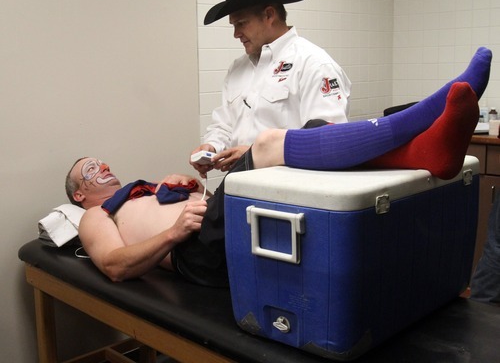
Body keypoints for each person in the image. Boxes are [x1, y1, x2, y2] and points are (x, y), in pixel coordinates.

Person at [69, 47, 491, 287]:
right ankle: (425, 115)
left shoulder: (144, 188)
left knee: (312, 127)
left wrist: (192, 191)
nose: (101, 166)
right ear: (79, 194)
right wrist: (173, 231)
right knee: (269, 142)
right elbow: (116, 266)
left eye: (101, 161)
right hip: (192, 251)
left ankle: (425, 152)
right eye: (89, 170)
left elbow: (200, 206)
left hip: (215, 226)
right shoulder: (95, 216)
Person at [191, 0, 351, 176]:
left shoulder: (314, 64)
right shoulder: (238, 69)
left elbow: (327, 143)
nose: (236, 34)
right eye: (233, 25)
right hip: (238, 188)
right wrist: (211, 147)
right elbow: (225, 125)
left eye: (241, 23)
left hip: (290, 195)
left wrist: (255, 154)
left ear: (269, 15)